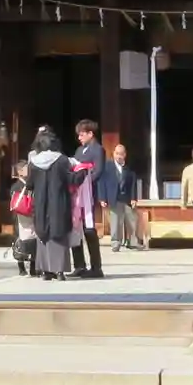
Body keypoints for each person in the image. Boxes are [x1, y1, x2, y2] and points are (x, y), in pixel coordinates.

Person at [25, 127, 75, 280]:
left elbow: (29, 185)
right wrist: (82, 173)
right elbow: (71, 179)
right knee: (58, 233)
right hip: (59, 202)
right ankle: (59, 271)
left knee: (43, 233)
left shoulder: (34, 162)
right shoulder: (62, 160)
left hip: (40, 203)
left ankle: (45, 271)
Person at [68, 119, 104, 279]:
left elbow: (98, 171)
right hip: (76, 194)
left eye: (82, 134)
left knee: (89, 230)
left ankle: (96, 267)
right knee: (75, 229)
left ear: (91, 134)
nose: (79, 138)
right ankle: (79, 265)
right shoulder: (79, 150)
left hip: (88, 193)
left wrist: (84, 182)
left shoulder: (98, 150)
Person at [102, 142, 145, 251]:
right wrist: (102, 198)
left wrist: (134, 198)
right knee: (116, 222)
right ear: (113, 154)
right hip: (114, 198)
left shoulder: (129, 168)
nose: (119, 156)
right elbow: (102, 183)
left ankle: (133, 242)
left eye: (121, 154)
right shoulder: (107, 167)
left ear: (124, 155)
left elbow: (133, 184)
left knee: (132, 220)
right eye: (117, 154)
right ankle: (115, 243)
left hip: (127, 198)